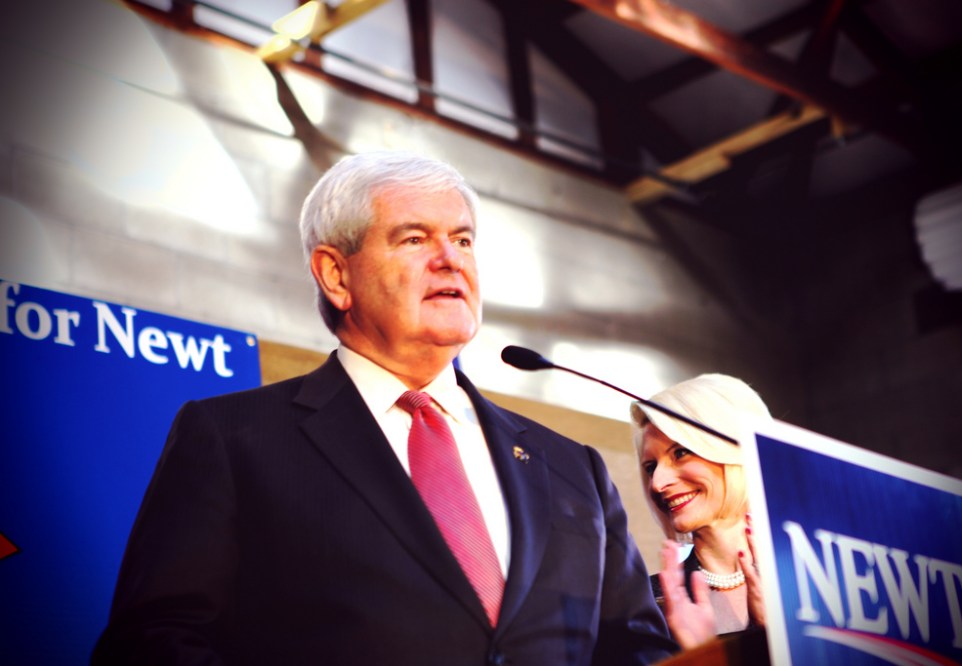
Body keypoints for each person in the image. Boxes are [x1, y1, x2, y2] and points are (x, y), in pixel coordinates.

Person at [92, 151, 675, 665]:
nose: (451, 260)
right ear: (335, 274)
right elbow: (153, 643)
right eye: (415, 238)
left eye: (464, 239)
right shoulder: (234, 438)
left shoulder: (574, 468)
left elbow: (632, 649)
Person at [631, 373, 771, 649]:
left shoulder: (821, 584)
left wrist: (779, 632)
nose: (657, 484)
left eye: (680, 453)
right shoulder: (644, 606)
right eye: (650, 468)